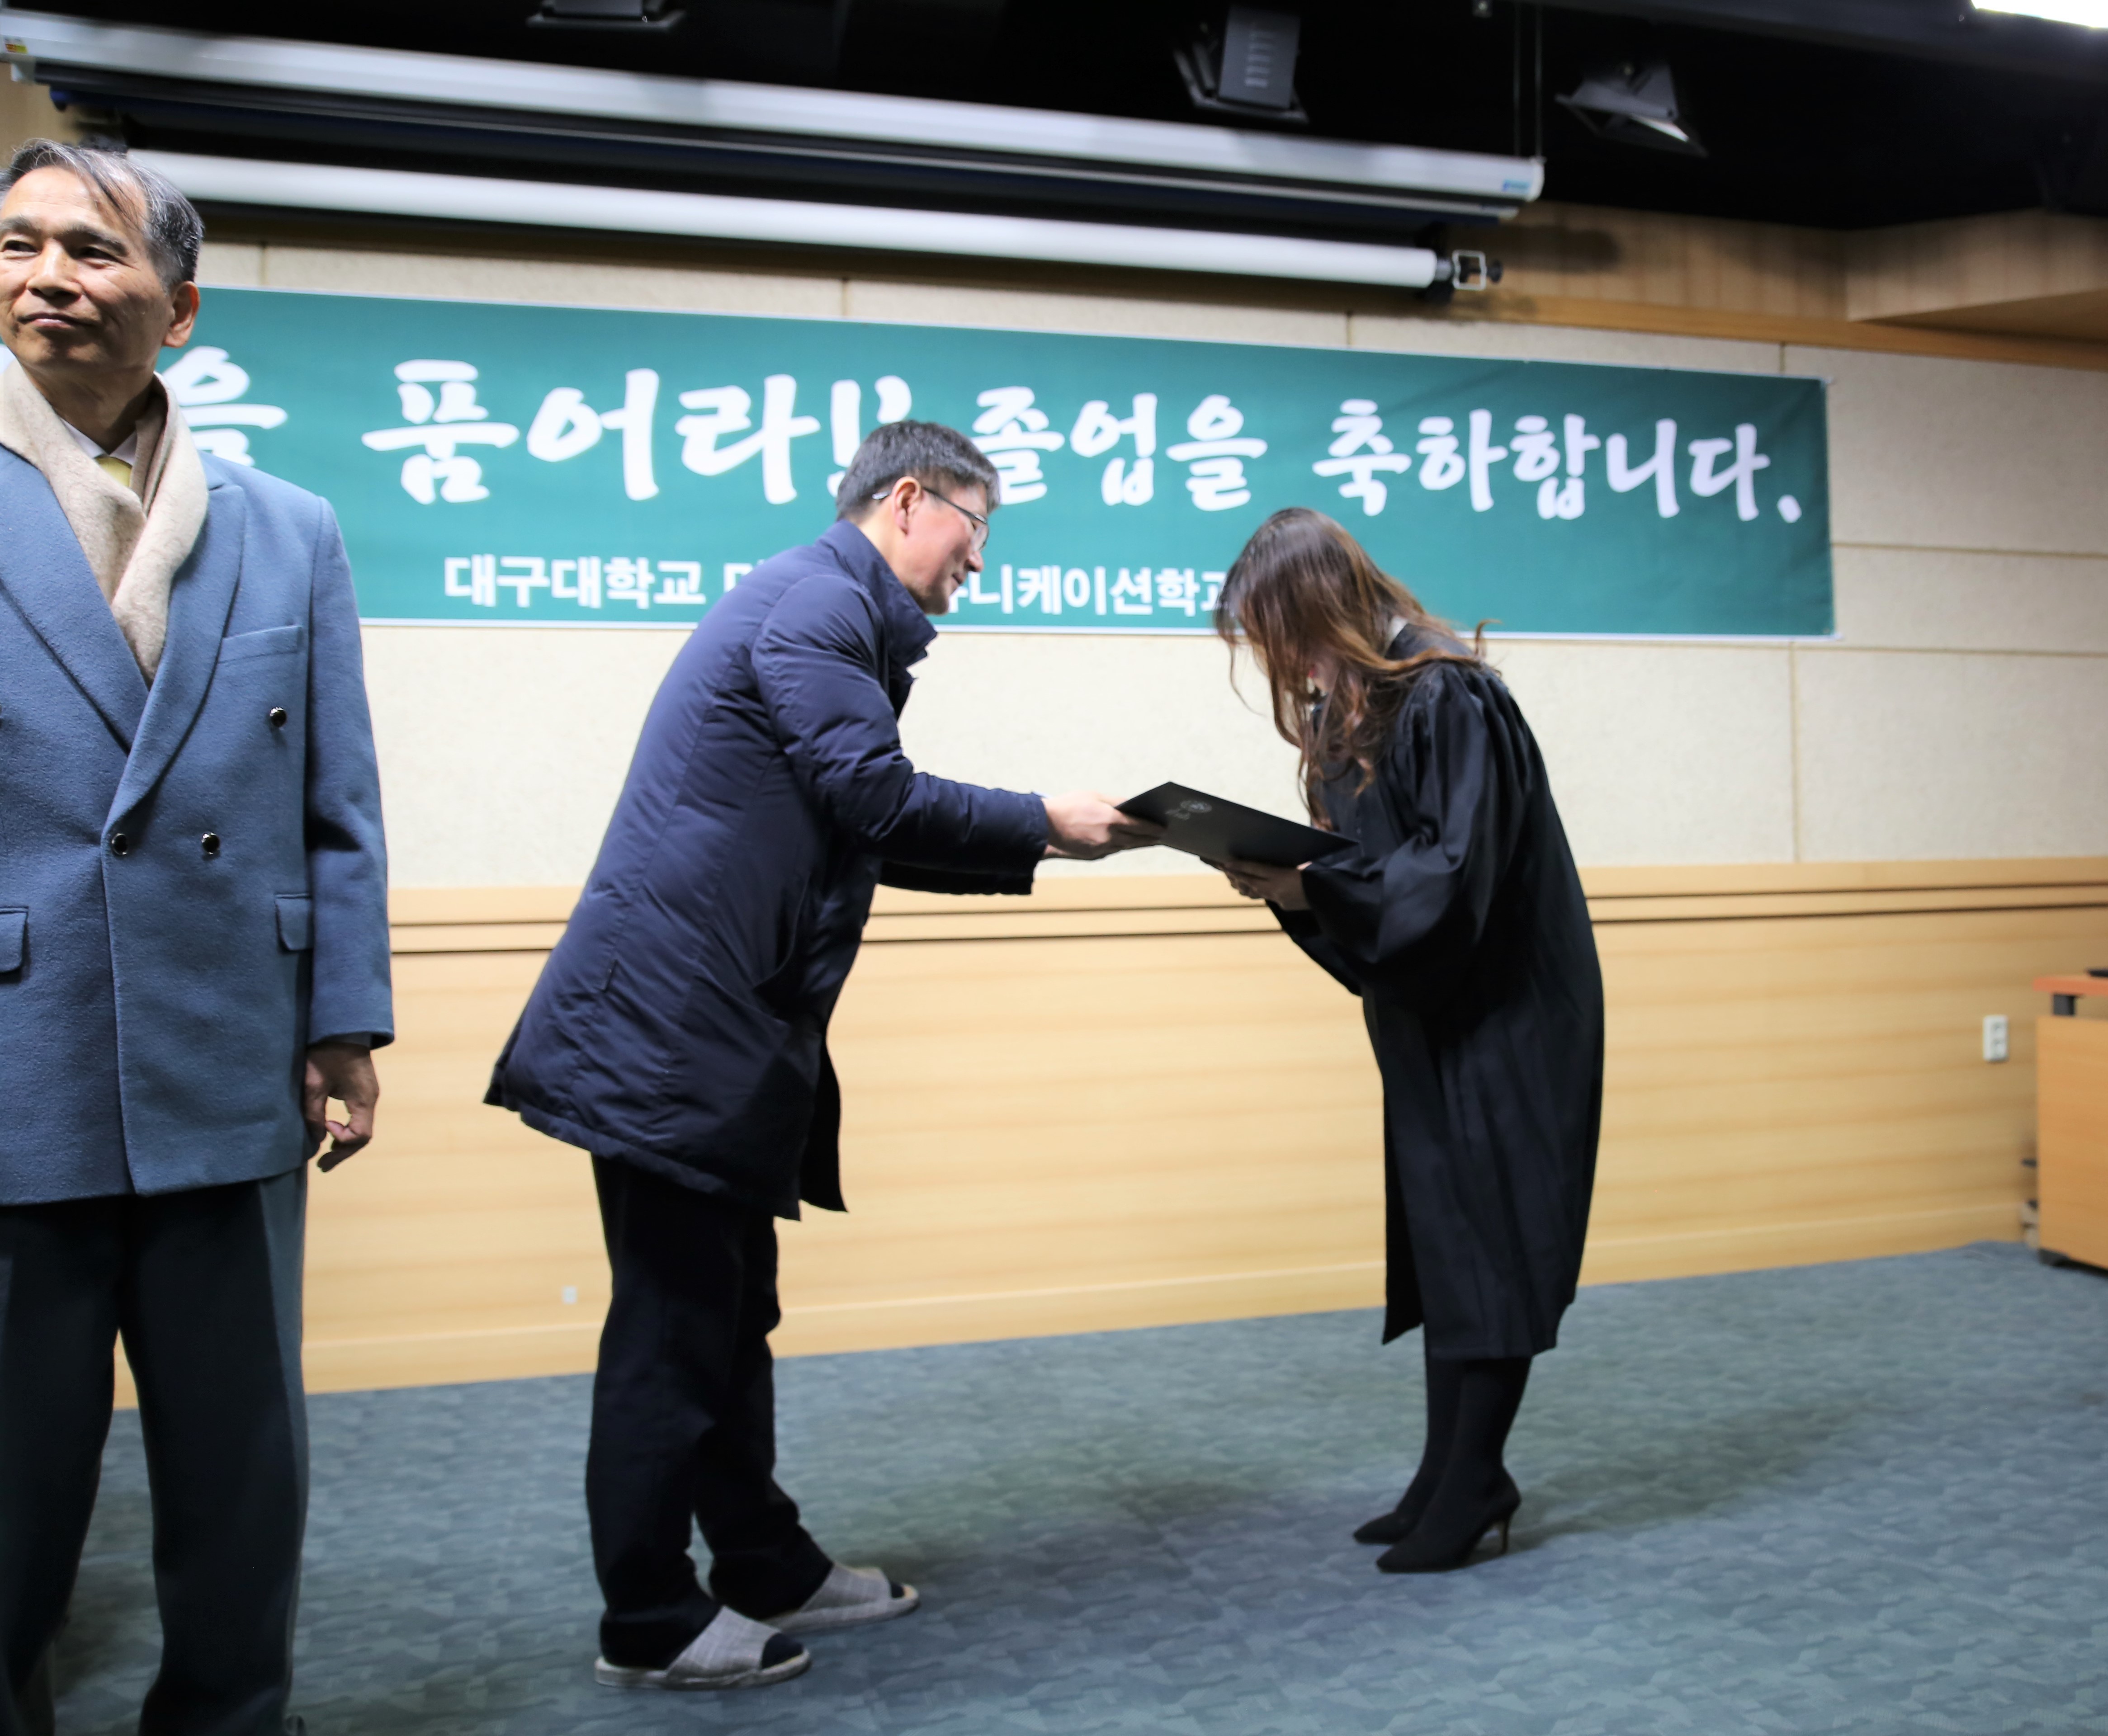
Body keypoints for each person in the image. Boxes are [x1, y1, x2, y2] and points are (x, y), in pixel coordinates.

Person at [487, 419, 1157, 1691]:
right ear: (909, 501)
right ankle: (647, 1618)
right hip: (672, 1032)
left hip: (709, 1026)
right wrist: (1042, 820)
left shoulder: (828, 608)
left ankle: (762, 1560)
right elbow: (874, 795)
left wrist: (1044, 840)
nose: (979, 560)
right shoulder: (816, 605)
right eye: (976, 527)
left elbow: (857, 826)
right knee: (675, 1330)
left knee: (732, 1312)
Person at [0, 142, 391, 1736]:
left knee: (243, 1472)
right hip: (15, 1060)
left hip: (230, 1056)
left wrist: (344, 1021)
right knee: (13, 1479)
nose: (47, 277)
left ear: (178, 306)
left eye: (93, 250)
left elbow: (337, 804)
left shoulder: (286, 528)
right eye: (18, 244)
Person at [1208, 507, 1602, 1574]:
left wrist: (1317, 885)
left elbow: (1450, 875)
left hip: (1506, 1010)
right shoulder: (1359, 708)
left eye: (1280, 634)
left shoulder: (1448, 694)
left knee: (1494, 1238)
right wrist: (1294, 883)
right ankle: (1448, 1471)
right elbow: (1375, 873)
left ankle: (1475, 1478)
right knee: (1449, 1240)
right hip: (1434, 1011)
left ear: (1319, 607)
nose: (1278, 662)